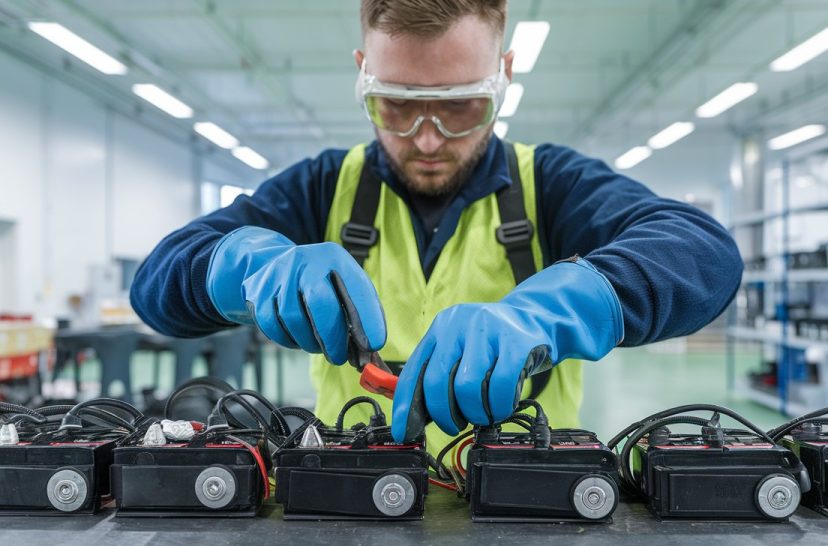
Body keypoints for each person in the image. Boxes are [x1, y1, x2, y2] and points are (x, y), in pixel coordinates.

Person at [130, 0, 743, 451]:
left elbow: (703, 254)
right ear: (362, 71)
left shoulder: (549, 185)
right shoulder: (323, 187)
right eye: (395, 103)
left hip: (526, 511)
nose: (427, 137)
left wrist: (546, 315)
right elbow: (157, 283)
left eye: (459, 105)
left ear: (503, 74)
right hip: (345, 508)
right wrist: (251, 270)